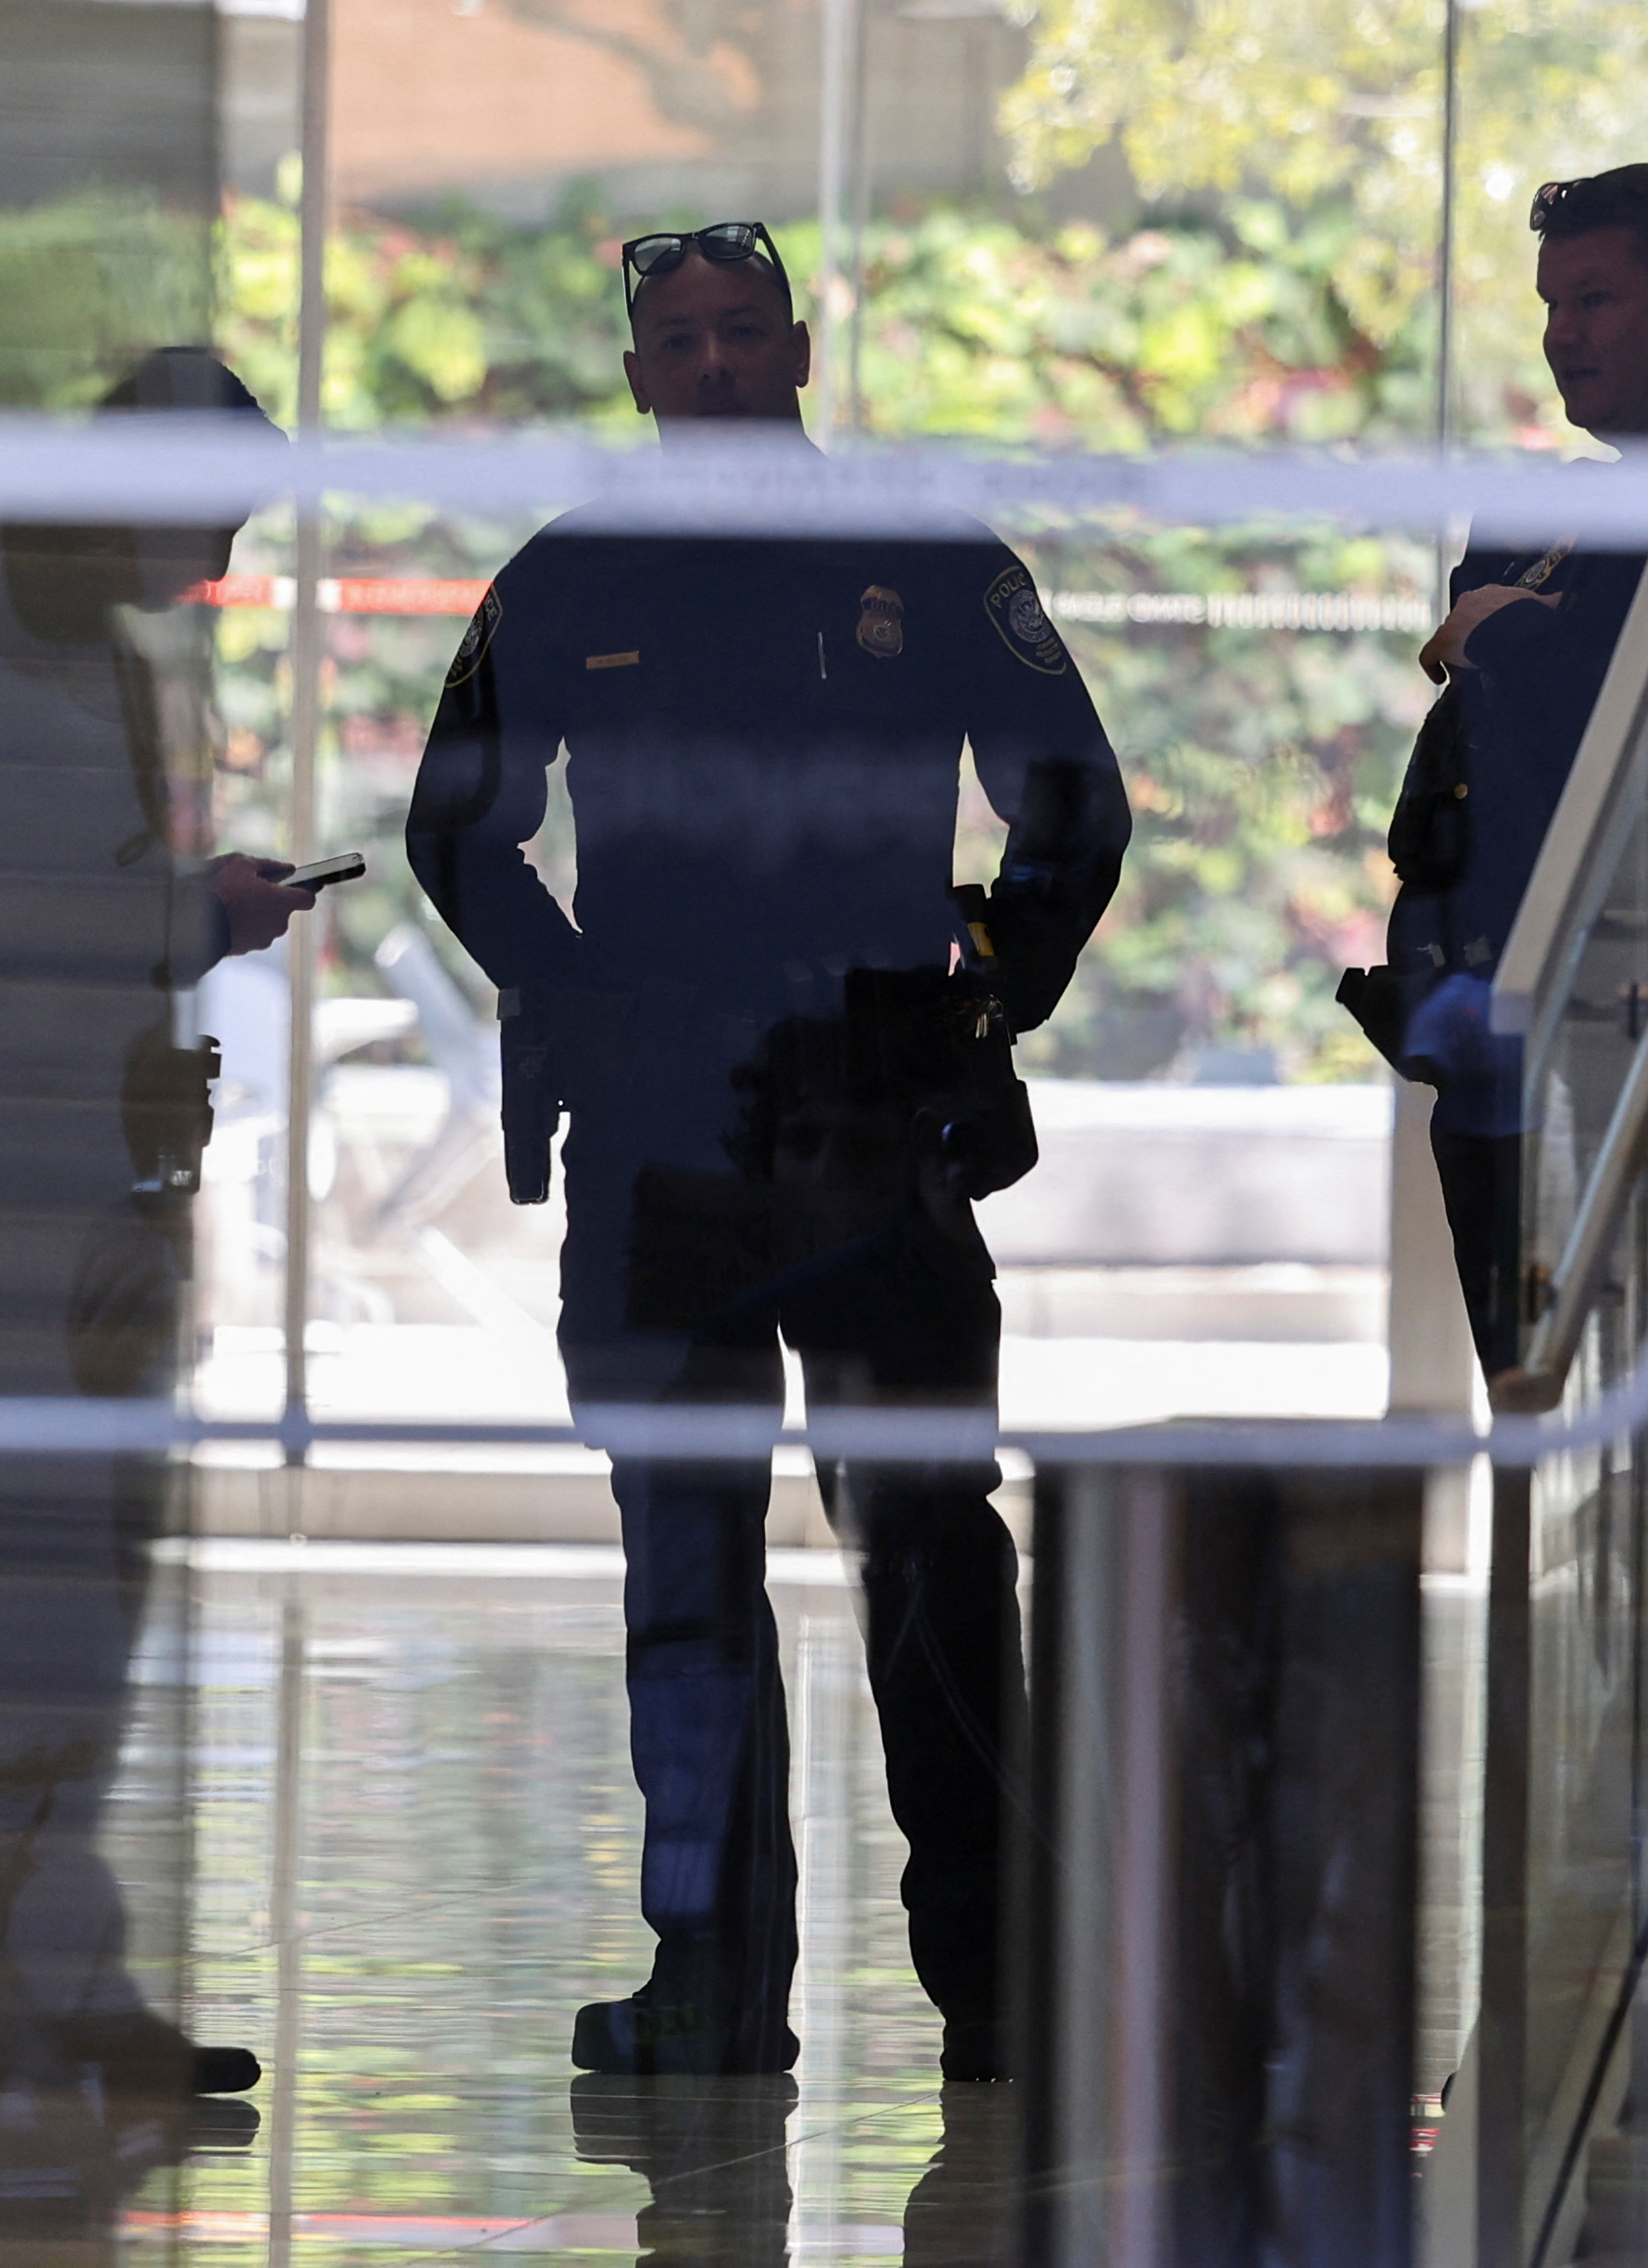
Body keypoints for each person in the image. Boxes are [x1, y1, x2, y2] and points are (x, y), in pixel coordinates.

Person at [404, 223, 1129, 2079]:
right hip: (663, 1133)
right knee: (686, 1559)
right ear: (639, 378)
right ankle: (709, 1980)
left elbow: (1076, 794)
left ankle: (1003, 1979)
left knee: (931, 1549)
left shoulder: (926, 549)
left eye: (745, 333)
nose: (716, 365)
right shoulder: (570, 577)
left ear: (800, 349)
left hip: (872, 1107)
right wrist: (577, 1000)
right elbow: (460, 828)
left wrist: (995, 985)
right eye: (680, 341)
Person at [0, 346, 298, 2105]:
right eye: (215, 521)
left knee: (71, 1612)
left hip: (82, 1199)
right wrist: (186, 919)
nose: (228, 565)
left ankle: (28, 1960)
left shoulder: (95, 659)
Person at [1341, 163, 1648, 1376]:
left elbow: (1614, 726)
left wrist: (1509, 631)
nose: (1564, 337)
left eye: (1599, 300)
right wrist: (1517, 627)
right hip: (1487, 1044)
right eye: (1551, 305)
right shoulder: (1544, 514)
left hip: (1635, 1036)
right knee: (1528, 1405)